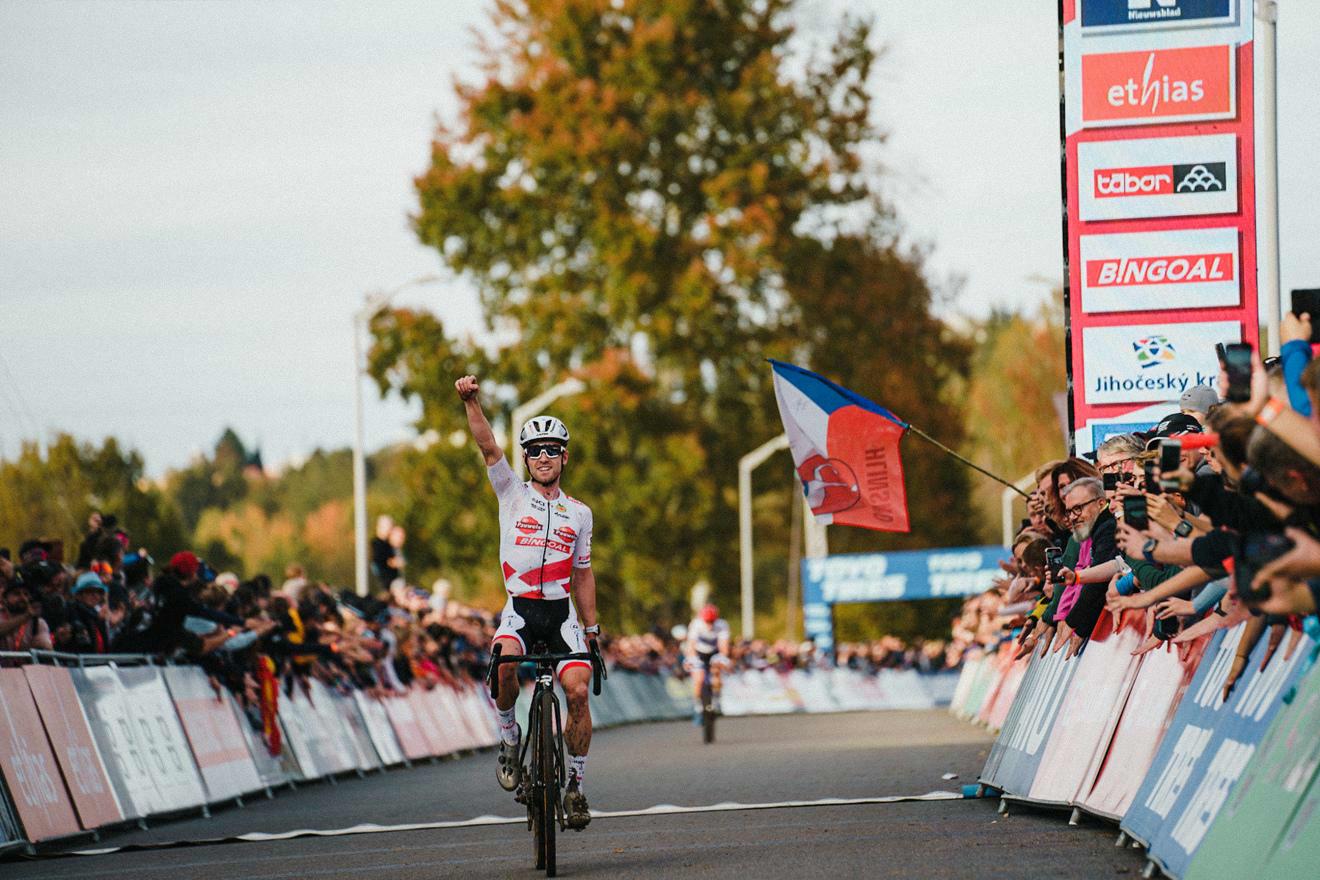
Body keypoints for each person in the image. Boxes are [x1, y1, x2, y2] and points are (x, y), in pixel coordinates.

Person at [456, 373, 599, 830]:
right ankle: (510, 738)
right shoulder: (511, 493)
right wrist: (472, 402)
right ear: (525, 458)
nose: (542, 457)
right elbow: (487, 448)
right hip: (519, 610)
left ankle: (575, 787)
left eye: (551, 449)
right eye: (534, 450)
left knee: (577, 690)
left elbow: (583, 574)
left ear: (564, 456)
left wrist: (592, 633)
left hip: (561, 616)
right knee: (502, 666)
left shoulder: (580, 513)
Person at [684, 603, 731, 719]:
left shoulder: (722, 625)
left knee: (717, 670)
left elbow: (724, 647)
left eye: (712, 622)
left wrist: (720, 659)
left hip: (715, 652)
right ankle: (698, 704)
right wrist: (693, 659)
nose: (710, 625)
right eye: (707, 622)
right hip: (698, 652)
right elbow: (690, 646)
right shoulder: (696, 624)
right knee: (699, 679)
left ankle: (717, 698)